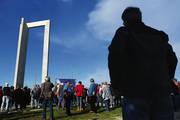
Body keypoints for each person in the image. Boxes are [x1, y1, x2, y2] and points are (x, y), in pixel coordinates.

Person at [108, 7, 178, 120]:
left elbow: (115, 58)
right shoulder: (159, 37)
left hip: (135, 91)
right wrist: (167, 78)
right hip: (162, 92)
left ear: (125, 21)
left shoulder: (124, 32)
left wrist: (116, 85)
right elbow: (173, 59)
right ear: (140, 18)